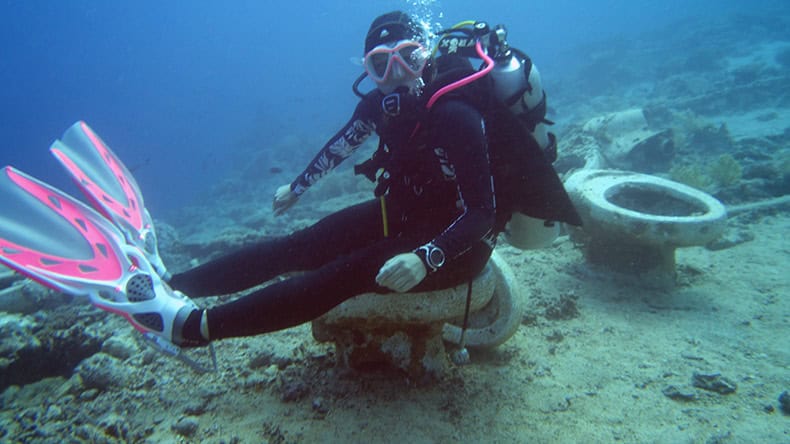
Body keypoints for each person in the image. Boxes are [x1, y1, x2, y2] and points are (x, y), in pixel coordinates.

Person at [163, 10, 578, 347]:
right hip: (406, 212)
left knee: (339, 276)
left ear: (426, 56)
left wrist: (424, 258)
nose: (396, 73)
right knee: (301, 245)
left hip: (458, 245)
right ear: (369, 70)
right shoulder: (379, 106)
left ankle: (195, 328)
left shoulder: (454, 111)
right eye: (381, 63)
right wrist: (297, 188)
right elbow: (340, 146)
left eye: (408, 57)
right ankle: (175, 285)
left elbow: (482, 214)